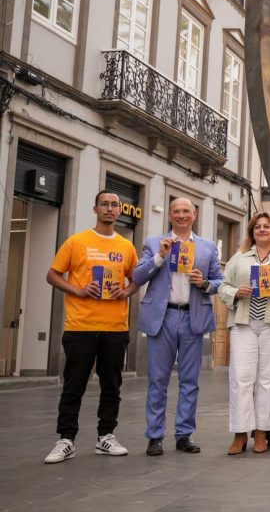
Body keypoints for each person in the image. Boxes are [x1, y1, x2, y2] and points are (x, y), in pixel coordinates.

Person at [44, 191, 139, 464]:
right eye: (105, 204)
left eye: (114, 205)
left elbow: (135, 280)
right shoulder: (77, 242)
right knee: (74, 386)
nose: (110, 209)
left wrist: (127, 291)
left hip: (115, 327)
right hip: (80, 326)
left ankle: (105, 436)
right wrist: (79, 290)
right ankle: (65, 439)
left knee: (112, 386)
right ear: (95, 208)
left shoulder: (126, 246)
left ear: (119, 210)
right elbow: (52, 274)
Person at [131, 198, 222, 457]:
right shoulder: (153, 243)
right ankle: (155, 436)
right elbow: (137, 277)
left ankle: (184, 434)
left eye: (186, 211)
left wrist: (204, 283)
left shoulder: (207, 247)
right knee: (157, 380)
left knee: (190, 381)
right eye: (176, 211)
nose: (181, 215)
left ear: (194, 214)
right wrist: (160, 256)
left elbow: (219, 281)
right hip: (163, 317)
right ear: (170, 214)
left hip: (193, 317)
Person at [219, 211, 270, 455]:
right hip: (244, 323)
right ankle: (239, 433)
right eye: (258, 227)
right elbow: (223, 286)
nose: (262, 230)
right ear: (252, 232)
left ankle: (263, 432)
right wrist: (236, 293)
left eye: (267, 226)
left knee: (267, 380)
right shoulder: (239, 257)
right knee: (240, 378)